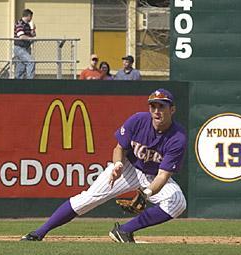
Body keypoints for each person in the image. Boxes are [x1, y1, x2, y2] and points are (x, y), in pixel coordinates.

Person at [21, 88, 187, 243]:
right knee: (88, 199)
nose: (156, 111)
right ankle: (40, 232)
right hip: (129, 168)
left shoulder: (177, 137)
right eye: (153, 106)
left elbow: (163, 175)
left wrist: (146, 193)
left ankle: (124, 230)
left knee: (178, 202)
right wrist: (117, 165)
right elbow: (119, 148)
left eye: (162, 106)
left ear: (172, 110)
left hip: (153, 176)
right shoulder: (138, 120)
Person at [14, 9, 36, 79]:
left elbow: (31, 35)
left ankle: (18, 84)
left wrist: (33, 30)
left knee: (21, 68)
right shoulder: (19, 23)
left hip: (26, 48)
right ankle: (30, 81)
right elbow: (21, 36)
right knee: (31, 62)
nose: (31, 18)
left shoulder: (27, 25)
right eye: (31, 16)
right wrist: (32, 38)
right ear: (28, 16)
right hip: (19, 48)